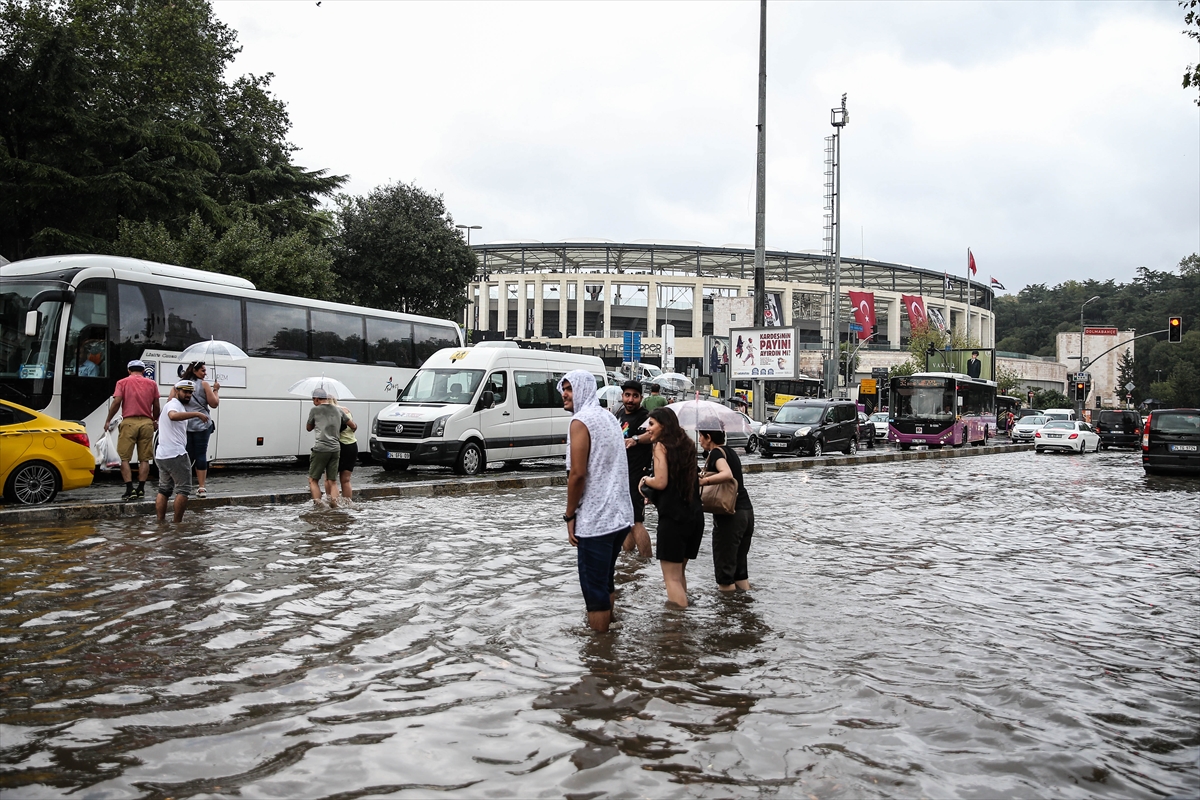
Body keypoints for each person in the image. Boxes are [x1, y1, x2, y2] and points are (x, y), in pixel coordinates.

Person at [559, 370, 633, 633]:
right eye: (563, 388)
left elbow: (577, 474)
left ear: (584, 390)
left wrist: (569, 516)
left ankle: (600, 658)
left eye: (570, 388)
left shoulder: (580, 421)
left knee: (594, 593)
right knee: (605, 582)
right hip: (620, 516)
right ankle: (610, 643)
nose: (565, 394)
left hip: (596, 520)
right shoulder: (608, 417)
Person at [639, 407, 704, 608]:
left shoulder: (660, 446)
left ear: (663, 426)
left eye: (651, 424)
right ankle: (686, 624)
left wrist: (645, 480)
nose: (647, 429)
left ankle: (676, 630)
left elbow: (661, 482)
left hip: (673, 520)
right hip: (694, 517)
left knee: (671, 579)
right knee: (679, 574)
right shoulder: (688, 445)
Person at [699, 430, 754, 592]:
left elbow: (726, 474)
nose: (699, 440)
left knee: (725, 574)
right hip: (746, 513)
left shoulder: (716, 453)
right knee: (740, 572)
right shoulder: (731, 452)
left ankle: (727, 613)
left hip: (730, 516)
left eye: (701, 435)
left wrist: (704, 481)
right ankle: (744, 608)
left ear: (709, 437)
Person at [103, 360, 161, 500]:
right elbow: (157, 405)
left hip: (128, 423)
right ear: (143, 370)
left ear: (129, 370)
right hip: (146, 423)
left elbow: (117, 402)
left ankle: (129, 489)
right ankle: (141, 488)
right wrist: (155, 420)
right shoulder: (152, 384)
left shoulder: (122, 382)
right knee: (145, 459)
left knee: (124, 458)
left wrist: (108, 420)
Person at [155, 380, 208, 522]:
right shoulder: (173, 405)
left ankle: (161, 523)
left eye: (190, 392)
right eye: (185, 391)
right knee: (184, 490)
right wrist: (196, 414)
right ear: (176, 391)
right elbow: (173, 416)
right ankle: (177, 524)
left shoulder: (174, 405)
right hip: (176, 454)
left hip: (162, 454)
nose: (188, 395)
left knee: (164, 489)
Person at [613, 379, 653, 557]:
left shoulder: (646, 417)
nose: (630, 400)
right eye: (627, 395)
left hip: (637, 476)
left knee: (636, 520)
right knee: (624, 522)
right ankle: (629, 563)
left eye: (635, 396)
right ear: (622, 396)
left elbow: (652, 435)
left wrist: (635, 439)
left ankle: (646, 560)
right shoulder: (620, 413)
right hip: (620, 476)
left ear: (641, 398)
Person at [176, 361, 219, 497]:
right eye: (203, 370)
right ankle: (201, 488)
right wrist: (216, 390)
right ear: (195, 371)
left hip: (186, 425)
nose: (205, 373)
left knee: (187, 455)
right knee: (201, 455)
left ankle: (184, 486)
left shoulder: (181, 385)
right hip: (202, 424)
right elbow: (214, 404)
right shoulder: (204, 384)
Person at [306, 389, 348, 507]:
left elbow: (308, 428)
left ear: (317, 399)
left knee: (313, 480)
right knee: (332, 481)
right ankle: (336, 506)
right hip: (335, 449)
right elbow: (352, 425)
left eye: (313, 399)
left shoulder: (315, 410)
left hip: (321, 448)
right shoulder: (338, 410)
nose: (313, 402)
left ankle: (319, 506)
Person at [330, 393, 359, 503]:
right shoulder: (346, 410)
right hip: (352, 446)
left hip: (338, 446)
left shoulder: (331, 412)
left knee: (330, 480)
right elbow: (354, 426)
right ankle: (347, 504)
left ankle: (333, 503)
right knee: (346, 480)